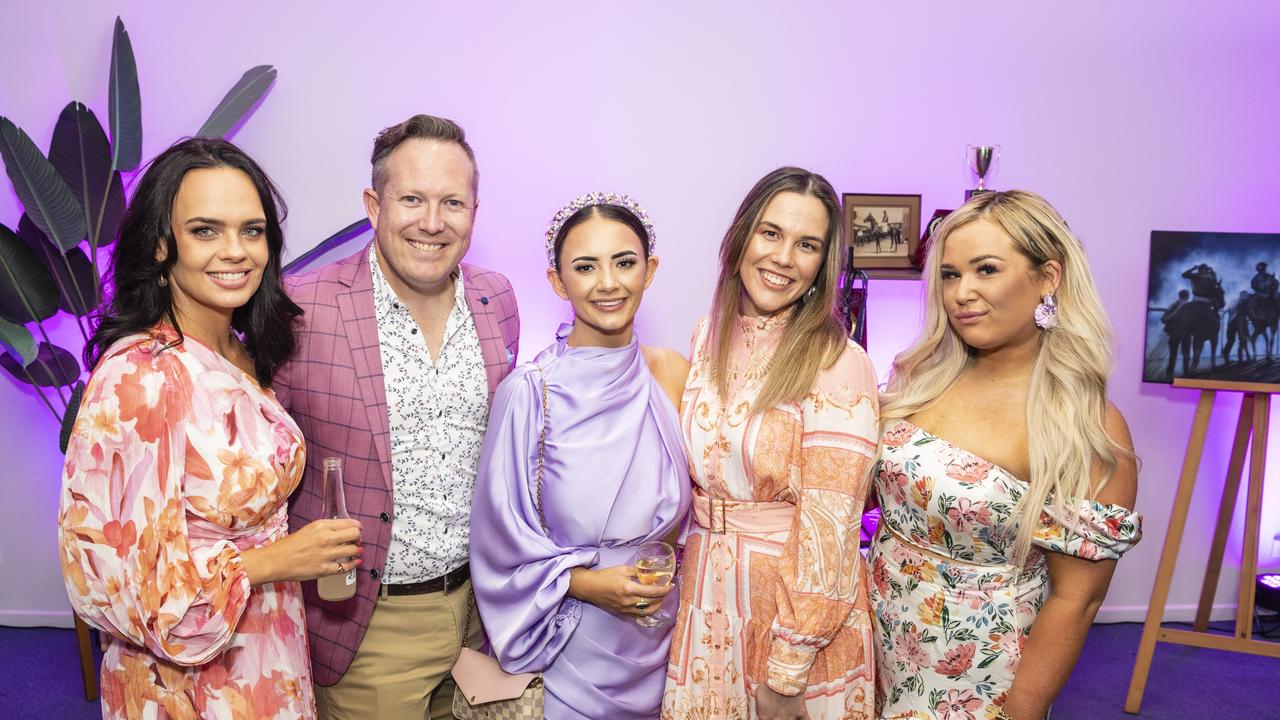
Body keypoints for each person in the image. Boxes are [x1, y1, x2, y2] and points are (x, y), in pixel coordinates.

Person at [58, 138, 362, 719]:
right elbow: (118, 589)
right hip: (186, 684)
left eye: (252, 230)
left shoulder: (241, 351)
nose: (236, 251)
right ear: (159, 243)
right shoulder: (141, 376)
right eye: (205, 230)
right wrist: (274, 561)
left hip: (267, 654)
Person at [274, 115, 519, 719]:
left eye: (452, 202)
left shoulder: (498, 300)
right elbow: (255, 466)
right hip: (367, 627)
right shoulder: (302, 308)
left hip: (477, 616)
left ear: (474, 211)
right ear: (373, 205)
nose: (432, 222)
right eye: (411, 198)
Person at [871, 190, 1142, 719]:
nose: (962, 293)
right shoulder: (918, 380)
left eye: (985, 269)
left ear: (1048, 277)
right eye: (950, 275)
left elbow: (1076, 600)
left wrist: (1022, 710)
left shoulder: (1082, 424)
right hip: (872, 640)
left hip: (974, 678)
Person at [664, 167, 880, 720]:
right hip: (709, 600)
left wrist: (787, 672)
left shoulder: (838, 361)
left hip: (792, 626)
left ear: (821, 266)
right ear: (739, 240)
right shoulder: (706, 336)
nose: (783, 257)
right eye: (770, 233)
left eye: (806, 245)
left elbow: (830, 536)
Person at [470, 192, 692, 719]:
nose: (608, 283)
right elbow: (496, 543)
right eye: (585, 267)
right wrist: (589, 584)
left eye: (624, 262)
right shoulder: (530, 393)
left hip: (664, 643)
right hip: (567, 645)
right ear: (557, 281)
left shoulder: (673, 375)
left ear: (650, 269)